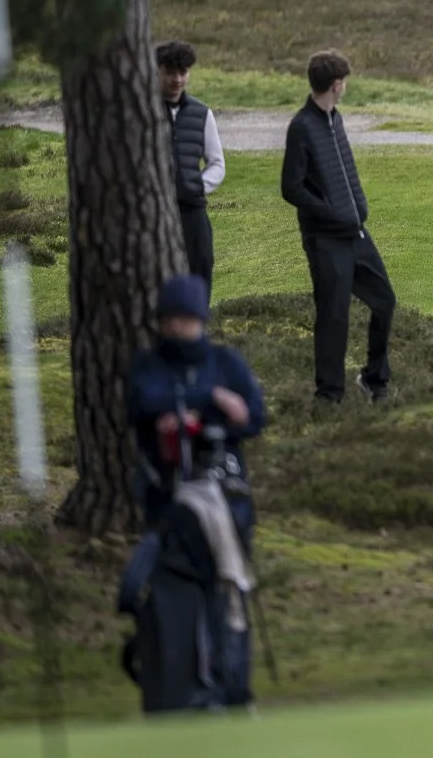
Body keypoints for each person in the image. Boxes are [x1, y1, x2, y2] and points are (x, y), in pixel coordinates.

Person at [280, 50, 397, 404]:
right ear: (335, 84)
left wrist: (356, 210)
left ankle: (374, 378)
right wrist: (330, 212)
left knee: (384, 301)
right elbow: (291, 187)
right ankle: (328, 396)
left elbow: (345, 174)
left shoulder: (335, 119)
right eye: (343, 81)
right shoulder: (302, 126)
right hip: (325, 239)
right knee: (333, 316)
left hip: (355, 234)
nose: (345, 86)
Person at [127, 274, 267, 539]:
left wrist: (210, 425)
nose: (176, 327)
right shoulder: (149, 365)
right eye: (169, 320)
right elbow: (143, 404)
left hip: (226, 490)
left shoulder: (225, 362)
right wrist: (212, 398)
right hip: (165, 488)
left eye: (185, 319)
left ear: (200, 320)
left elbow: (254, 416)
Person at [156, 41, 226, 294]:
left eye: (182, 72)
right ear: (158, 71)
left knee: (199, 275)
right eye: (171, 72)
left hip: (193, 213)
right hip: (155, 215)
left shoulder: (202, 113)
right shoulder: (141, 113)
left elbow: (216, 163)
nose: (177, 79)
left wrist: (197, 186)